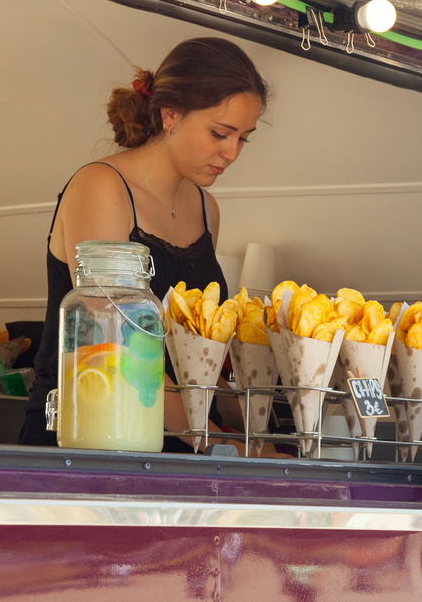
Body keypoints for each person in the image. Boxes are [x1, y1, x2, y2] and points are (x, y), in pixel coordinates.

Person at [22, 36, 268, 450]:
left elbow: (191, 357)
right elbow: (113, 344)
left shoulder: (207, 209)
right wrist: (214, 440)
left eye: (243, 138)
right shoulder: (102, 187)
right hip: (91, 435)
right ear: (170, 114)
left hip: (171, 439)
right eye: (220, 133)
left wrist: (257, 425)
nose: (232, 152)